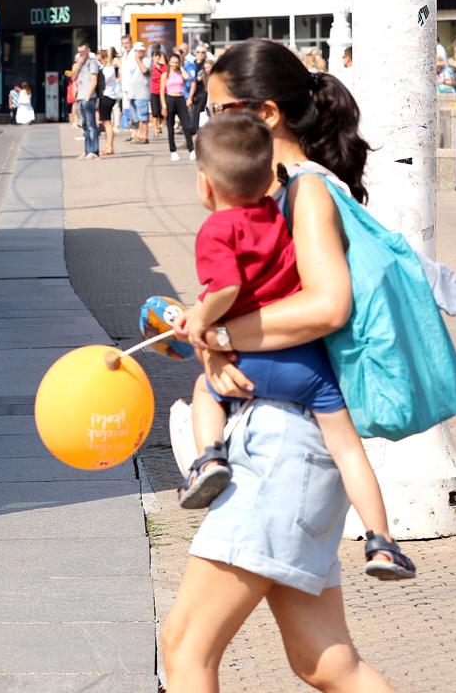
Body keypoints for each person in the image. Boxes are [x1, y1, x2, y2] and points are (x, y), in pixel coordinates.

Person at [160, 38, 396, 693]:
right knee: (324, 661)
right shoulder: (277, 197)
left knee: (184, 646)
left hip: (282, 446)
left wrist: (217, 335)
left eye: (216, 111)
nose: (204, 124)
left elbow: (326, 305)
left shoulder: (308, 192)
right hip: (292, 443)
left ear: (264, 114)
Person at [176, 114, 412, 582]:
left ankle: (210, 459)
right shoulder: (276, 212)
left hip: (249, 359)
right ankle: (381, 542)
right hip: (305, 361)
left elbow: (225, 288)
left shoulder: (216, 231)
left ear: (205, 185)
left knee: (205, 392)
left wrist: (202, 323)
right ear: (269, 177)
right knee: (348, 450)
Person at [163, 51, 197, 162]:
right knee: (170, 126)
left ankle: (191, 149)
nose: (174, 64)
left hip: (180, 98)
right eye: (172, 62)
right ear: (169, 62)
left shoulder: (181, 72)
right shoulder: (165, 74)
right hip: (169, 99)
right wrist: (163, 105)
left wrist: (181, 68)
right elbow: (161, 91)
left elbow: (188, 78)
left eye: (176, 62)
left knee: (186, 125)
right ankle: (173, 151)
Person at [70, 45, 100, 159]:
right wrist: (78, 64)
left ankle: (94, 151)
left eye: (83, 51)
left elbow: (94, 80)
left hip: (89, 97)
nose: (81, 53)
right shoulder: (80, 64)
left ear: (88, 50)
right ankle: (87, 150)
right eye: (79, 52)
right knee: (84, 126)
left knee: (91, 124)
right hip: (80, 97)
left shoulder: (92, 62)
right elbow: (73, 78)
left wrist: (88, 96)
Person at [122, 42, 151, 144]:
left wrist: (138, 59)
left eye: (140, 51)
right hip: (132, 93)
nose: (138, 53)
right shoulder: (131, 62)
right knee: (135, 117)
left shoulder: (147, 60)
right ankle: (138, 136)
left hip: (142, 93)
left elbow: (144, 70)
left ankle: (144, 136)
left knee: (143, 116)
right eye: (136, 51)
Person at [98, 49, 121, 157]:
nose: (100, 61)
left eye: (101, 59)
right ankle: (108, 146)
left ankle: (110, 147)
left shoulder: (108, 69)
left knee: (107, 123)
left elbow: (103, 81)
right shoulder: (105, 68)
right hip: (108, 96)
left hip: (107, 96)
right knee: (106, 123)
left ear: (106, 58)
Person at [149, 43, 168, 139]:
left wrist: (161, 65)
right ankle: (155, 128)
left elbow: (167, 73)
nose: (156, 58)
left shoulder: (163, 67)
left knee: (162, 112)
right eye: (154, 56)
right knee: (155, 111)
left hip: (163, 91)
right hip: (153, 91)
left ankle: (160, 124)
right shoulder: (150, 66)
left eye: (158, 56)